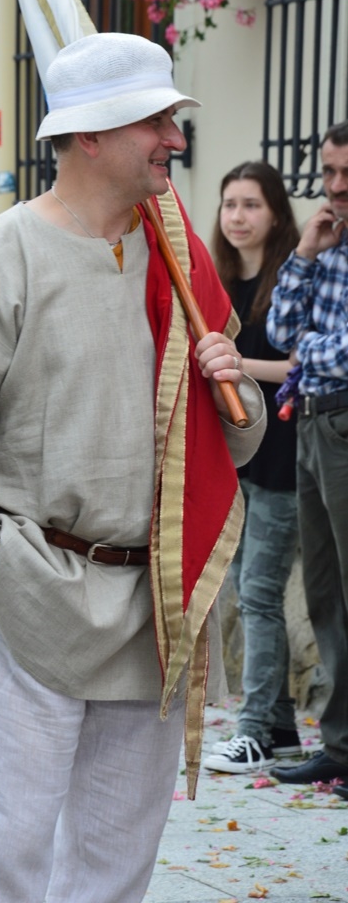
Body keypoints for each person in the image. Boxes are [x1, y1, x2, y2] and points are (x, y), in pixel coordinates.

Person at [0, 32, 266, 903]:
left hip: (154, 607)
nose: (174, 139)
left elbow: (233, 444)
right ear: (89, 134)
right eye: (155, 121)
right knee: (4, 854)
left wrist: (234, 387)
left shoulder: (180, 262)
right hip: (36, 593)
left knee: (117, 867)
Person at [201, 161, 301, 776]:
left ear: (276, 213)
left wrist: (235, 364)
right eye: (230, 204)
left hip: (286, 459)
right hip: (236, 459)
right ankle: (281, 725)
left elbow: (300, 364)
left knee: (260, 594)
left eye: (251, 205)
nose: (237, 217)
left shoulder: (292, 277)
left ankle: (255, 731)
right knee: (243, 590)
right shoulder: (217, 281)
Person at [267, 120, 348, 787]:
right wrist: (302, 252)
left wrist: (307, 351)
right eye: (328, 172)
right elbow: (278, 331)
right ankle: (341, 747)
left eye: (347, 174)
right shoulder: (327, 241)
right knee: (323, 592)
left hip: (342, 418)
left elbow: (329, 351)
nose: (336, 186)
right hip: (314, 421)